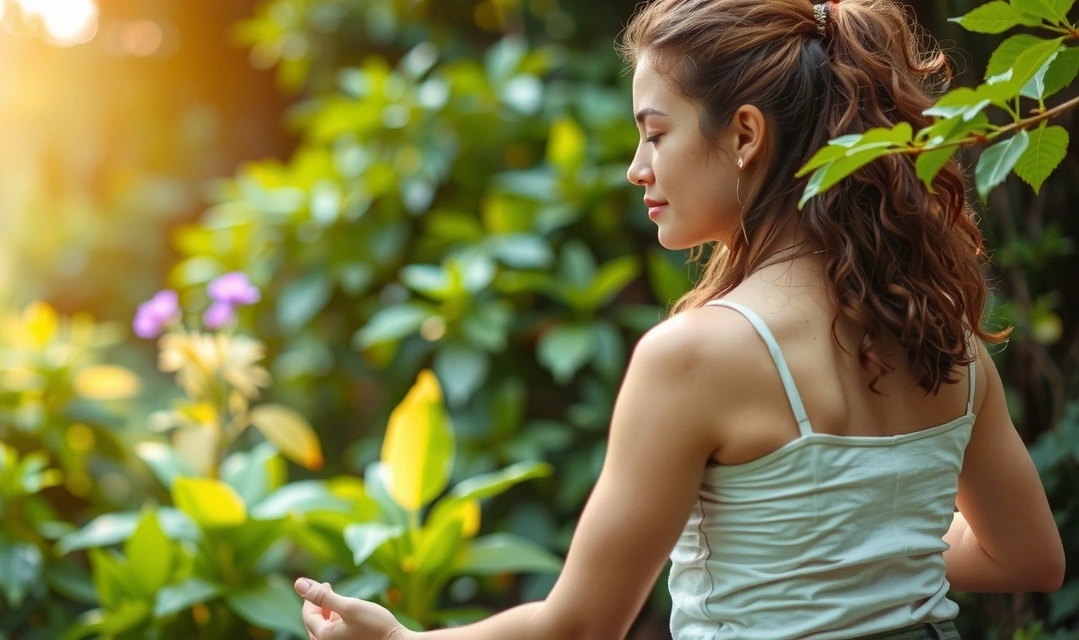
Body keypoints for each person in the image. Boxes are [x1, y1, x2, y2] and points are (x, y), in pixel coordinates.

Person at [292, 0, 1067, 637]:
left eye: (655, 132)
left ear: (744, 135)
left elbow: (584, 623)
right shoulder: (948, 338)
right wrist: (856, 548)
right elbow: (1030, 559)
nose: (637, 166)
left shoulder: (696, 356)